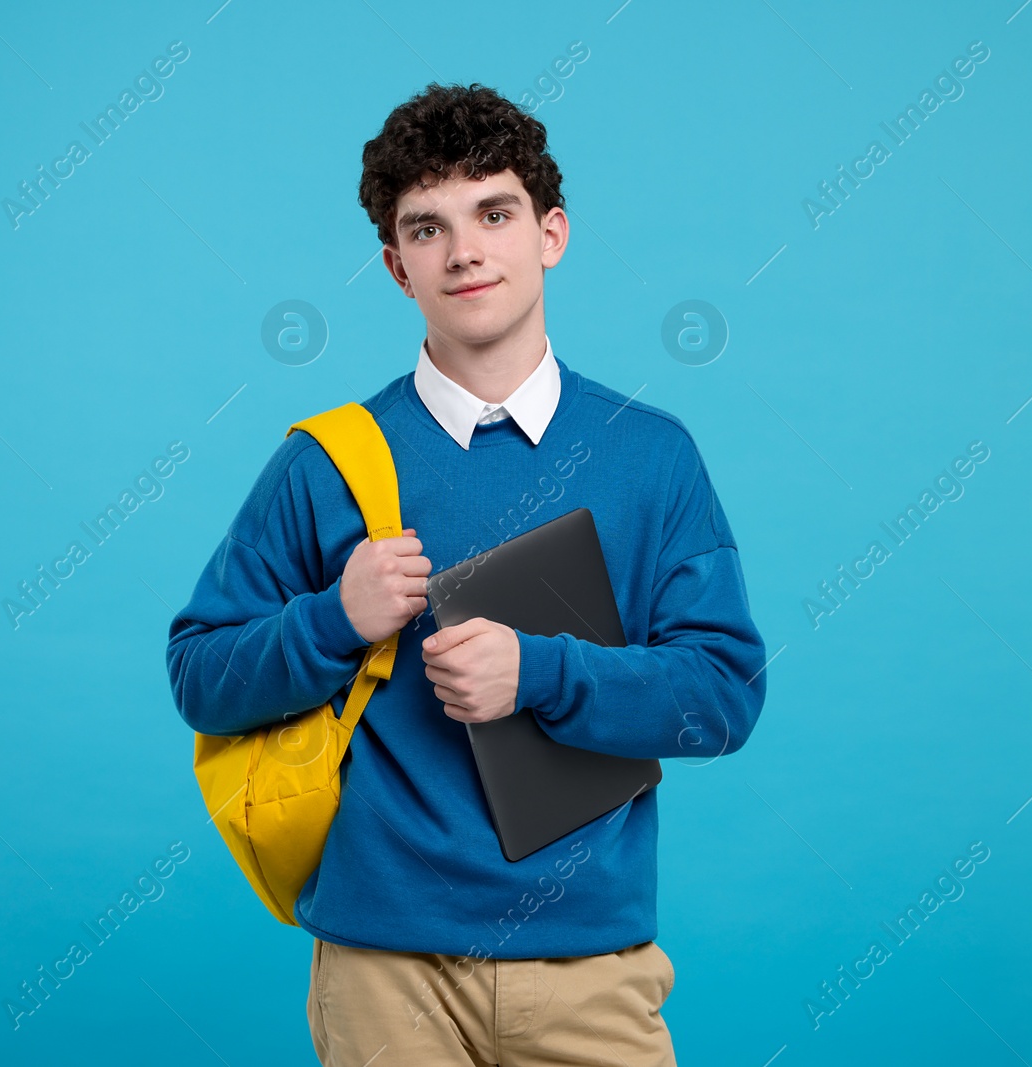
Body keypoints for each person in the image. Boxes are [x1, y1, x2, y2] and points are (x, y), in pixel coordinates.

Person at [166, 81, 768, 1067]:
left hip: (590, 961)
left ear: (551, 234)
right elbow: (201, 675)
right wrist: (331, 620)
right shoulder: (327, 464)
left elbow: (723, 695)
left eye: (493, 212)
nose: (464, 250)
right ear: (397, 267)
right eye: (427, 227)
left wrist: (543, 674)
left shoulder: (649, 456)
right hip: (380, 967)